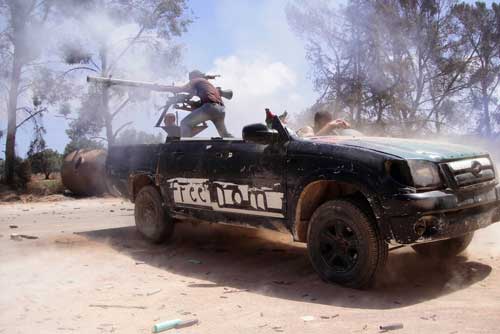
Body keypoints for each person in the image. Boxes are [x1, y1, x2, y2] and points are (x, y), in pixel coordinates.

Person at [162, 70, 232, 138]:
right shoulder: (209, 88)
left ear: (193, 77)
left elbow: (181, 89)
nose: (190, 81)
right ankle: (241, 144)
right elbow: (198, 108)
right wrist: (183, 106)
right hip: (220, 110)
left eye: (190, 79)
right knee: (225, 134)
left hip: (210, 108)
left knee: (185, 123)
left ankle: (185, 147)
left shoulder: (197, 80)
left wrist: (160, 87)